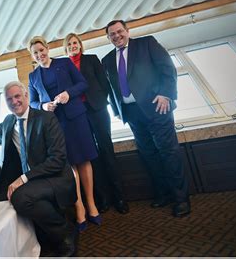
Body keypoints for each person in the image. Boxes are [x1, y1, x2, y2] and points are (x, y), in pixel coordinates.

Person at [0, 81, 78, 256]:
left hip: (54, 177)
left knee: (20, 197)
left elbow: (57, 160)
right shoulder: (9, 121)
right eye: (9, 99)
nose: (14, 101)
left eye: (17, 96)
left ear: (26, 95)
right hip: (32, 181)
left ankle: (65, 232)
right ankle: (36, 236)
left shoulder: (46, 118)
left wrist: (23, 178)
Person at [102, 20, 190, 217]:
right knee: (148, 154)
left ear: (127, 31)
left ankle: (181, 198)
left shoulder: (147, 43)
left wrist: (166, 93)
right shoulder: (107, 60)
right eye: (112, 34)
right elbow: (110, 89)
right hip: (132, 113)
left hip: (157, 106)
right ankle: (163, 193)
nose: (117, 36)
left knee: (168, 152)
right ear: (108, 38)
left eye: (119, 31)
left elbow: (168, 68)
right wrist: (117, 111)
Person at [27, 36, 102, 232]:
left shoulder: (64, 63)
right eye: (35, 53)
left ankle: (91, 204)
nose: (40, 55)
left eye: (41, 50)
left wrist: (69, 93)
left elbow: (82, 84)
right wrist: (43, 105)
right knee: (68, 166)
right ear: (32, 56)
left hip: (76, 118)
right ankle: (79, 208)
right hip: (53, 124)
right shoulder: (32, 76)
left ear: (47, 48)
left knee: (84, 160)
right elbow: (33, 103)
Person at [63, 32, 129, 214]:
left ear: (80, 45)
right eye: (69, 44)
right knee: (91, 157)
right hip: (78, 115)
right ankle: (103, 199)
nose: (73, 46)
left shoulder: (91, 59)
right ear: (65, 48)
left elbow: (104, 83)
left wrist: (99, 101)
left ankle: (120, 197)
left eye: (75, 43)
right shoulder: (64, 66)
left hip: (97, 110)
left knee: (107, 151)